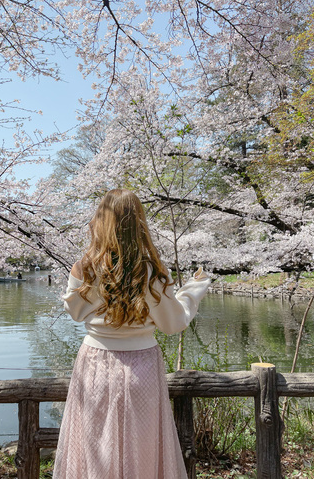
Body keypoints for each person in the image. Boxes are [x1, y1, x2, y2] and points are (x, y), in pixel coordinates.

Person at [53, 189, 210, 479]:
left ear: (100, 221)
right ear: (139, 223)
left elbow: (75, 313)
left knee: (93, 445)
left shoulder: (86, 268)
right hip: (142, 365)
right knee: (143, 445)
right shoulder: (150, 271)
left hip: (94, 363)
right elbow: (173, 323)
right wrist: (193, 291)